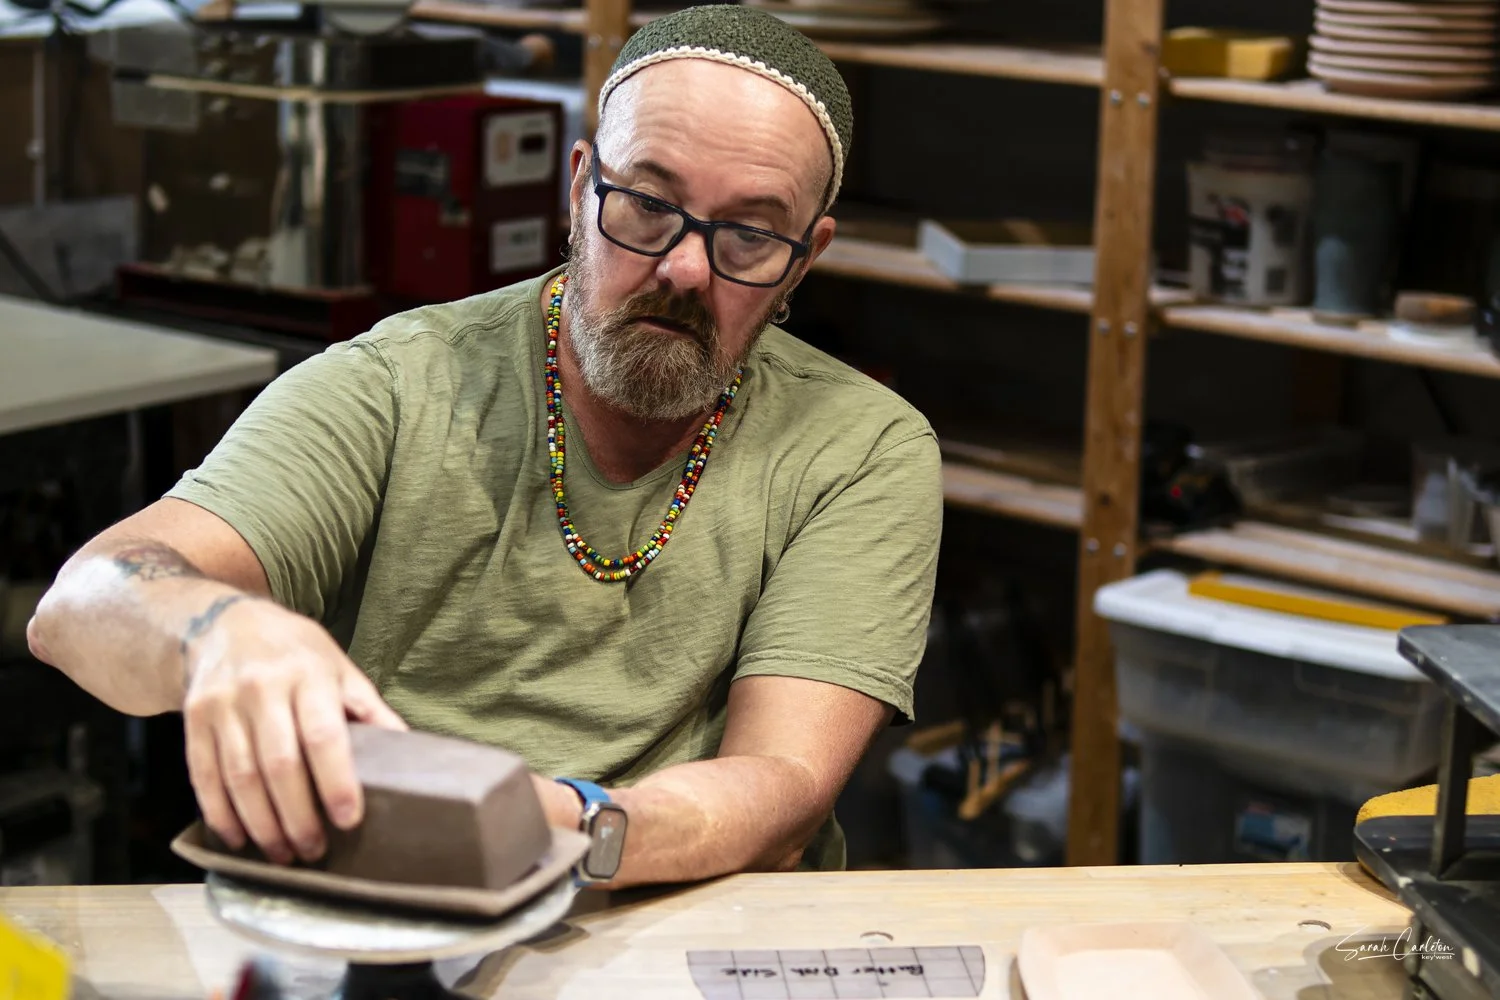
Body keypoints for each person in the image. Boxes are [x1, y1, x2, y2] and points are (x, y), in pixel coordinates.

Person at [27, 4, 944, 889]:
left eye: (748, 234)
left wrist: (564, 828)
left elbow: (782, 790)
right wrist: (216, 632)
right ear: (581, 187)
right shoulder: (398, 385)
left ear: (807, 255)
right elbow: (78, 606)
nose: (684, 268)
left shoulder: (859, 446)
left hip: (688, 912)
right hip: (395, 904)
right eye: (647, 205)